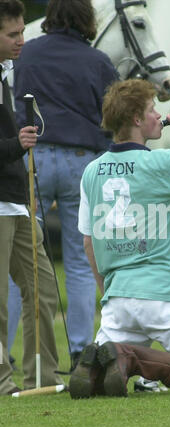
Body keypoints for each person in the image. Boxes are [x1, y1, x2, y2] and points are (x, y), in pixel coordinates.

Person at [68, 78, 170, 399]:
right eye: (151, 109)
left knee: (103, 366)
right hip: (167, 293)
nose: (157, 114)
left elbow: (89, 242)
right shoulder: (162, 161)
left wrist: (108, 293)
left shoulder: (92, 171)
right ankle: (137, 362)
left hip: (119, 299)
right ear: (136, 119)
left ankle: (117, 360)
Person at [11, 0, 119, 371]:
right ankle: (80, 352)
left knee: (20, 261)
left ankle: (8, 352)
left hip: (33, 159)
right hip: (81, 163)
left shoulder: (27, 53)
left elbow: (13, 105)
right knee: (81, 260)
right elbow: (111, 118)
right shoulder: (98, 60)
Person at [0, 0, 63, 395]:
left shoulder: (11, 75)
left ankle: (41, 377)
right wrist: (15, 146)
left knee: (43, 290)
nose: (22, 40)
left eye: (23, 31)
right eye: (12, 34)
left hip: (17, 200)